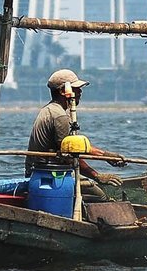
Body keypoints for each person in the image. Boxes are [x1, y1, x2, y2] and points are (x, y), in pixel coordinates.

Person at [25, 68, 126, 199]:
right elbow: (69, 155)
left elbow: (75, 146)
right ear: (63, 91)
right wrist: (97, 176)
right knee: (100, 196)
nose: (80, 92)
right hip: (47, 175)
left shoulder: (52, 109)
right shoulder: (59, 116)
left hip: (46, 173)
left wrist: (105, 156)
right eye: (76, 88)